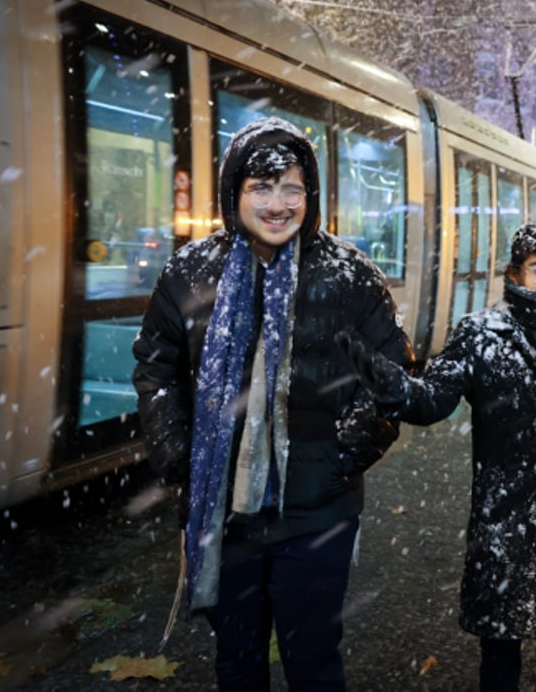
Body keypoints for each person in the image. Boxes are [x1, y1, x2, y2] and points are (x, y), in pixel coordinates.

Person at [132, 117, 413, 691]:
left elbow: (392, 377)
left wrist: (344, 457)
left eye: (292, 188)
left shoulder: (351, 275)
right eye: (261, 187)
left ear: (311, 195)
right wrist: (174, 451)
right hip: (224, 512)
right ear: (234, 192)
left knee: (313, 663)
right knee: (237, 664)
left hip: (317, 511)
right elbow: (156, 363)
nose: (278, 204)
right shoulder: (190, 271)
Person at [338, 222, 536, 692]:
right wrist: (390, 383)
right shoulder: (480, 334)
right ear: (515, 275)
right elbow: (432, 402)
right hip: (503, 527)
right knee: (499, 662)